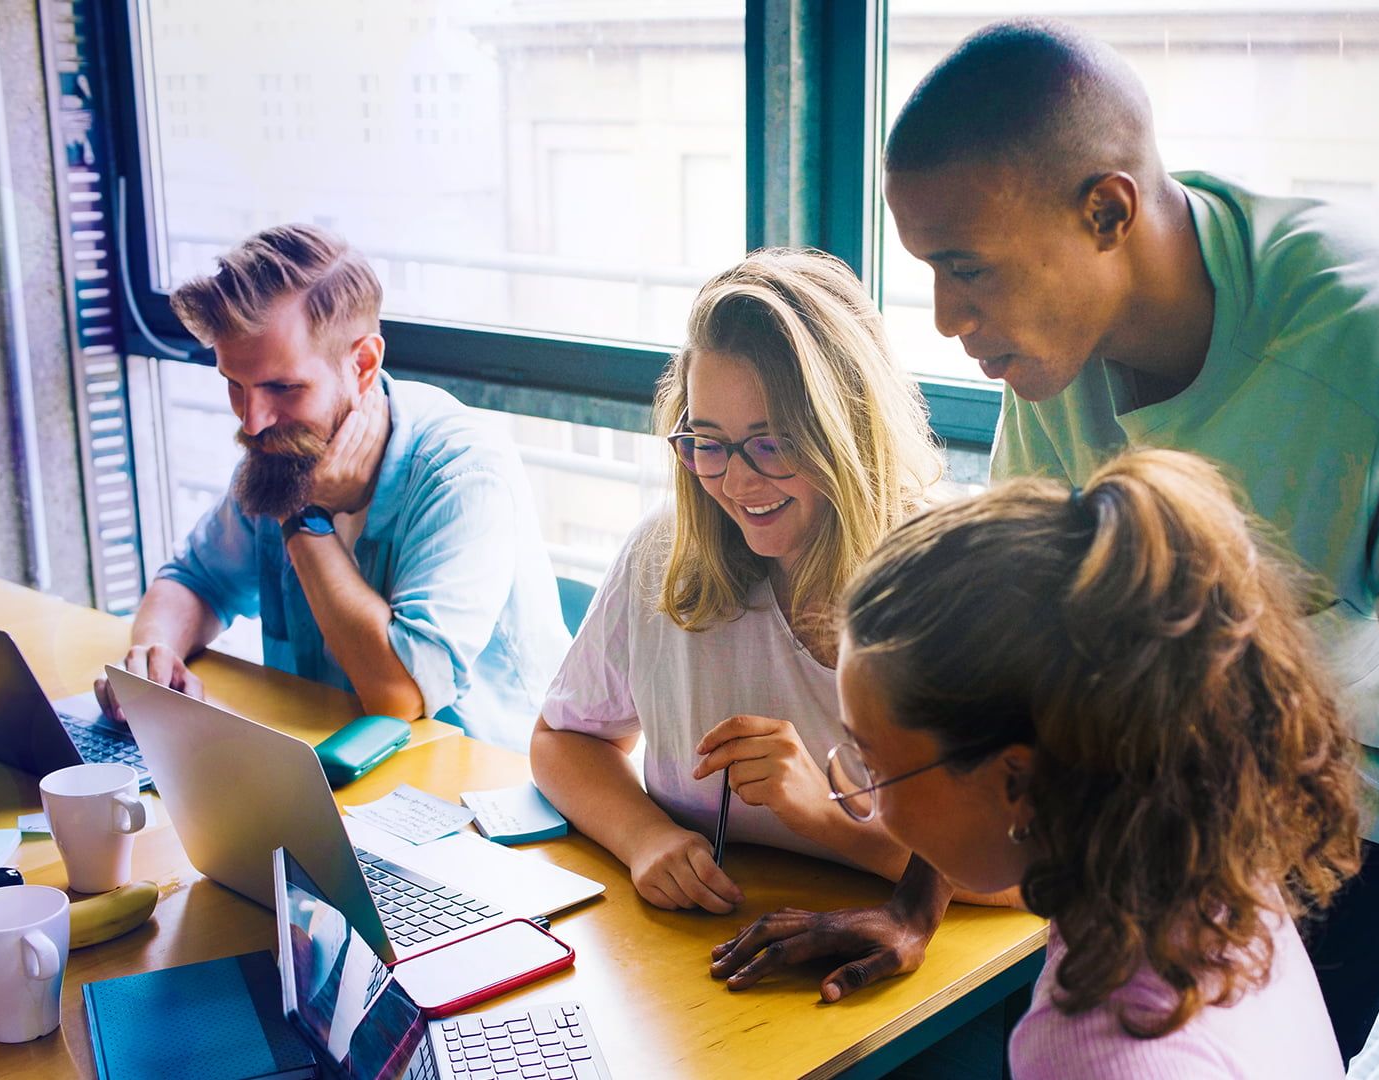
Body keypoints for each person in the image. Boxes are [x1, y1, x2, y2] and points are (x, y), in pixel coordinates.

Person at [717, 20, 1379, 1079]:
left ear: (1106, 210)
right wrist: (916, 909)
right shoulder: (1051, 367)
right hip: (1344, 753)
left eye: (968, 270)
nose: (948, 316)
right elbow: (991, 686)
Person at [825, 450, 1360, 1077]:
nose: (873, 806)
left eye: (874, 762)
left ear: (1017, 782)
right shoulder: (1209, 884)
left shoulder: (1095, 1052)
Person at [531, 249, 997, 933]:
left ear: (847, 432)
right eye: (707, 443)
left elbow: (1041, 873)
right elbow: (561, 741)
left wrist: (825, 819)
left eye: (772, 443)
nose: (737, 483)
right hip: (707, 954)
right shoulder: (666, 553)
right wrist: (644, 838)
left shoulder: (951, 577)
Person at [93, 224, 568, 752]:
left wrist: (303, 514)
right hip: (329, 766)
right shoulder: (280, 445)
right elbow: (195, 580)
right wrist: (155, 653)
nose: (252, 421)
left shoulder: (464, 474)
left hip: (483, 788)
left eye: (284, 387)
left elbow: (399, 695)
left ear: (362, 364)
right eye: (235, 384)